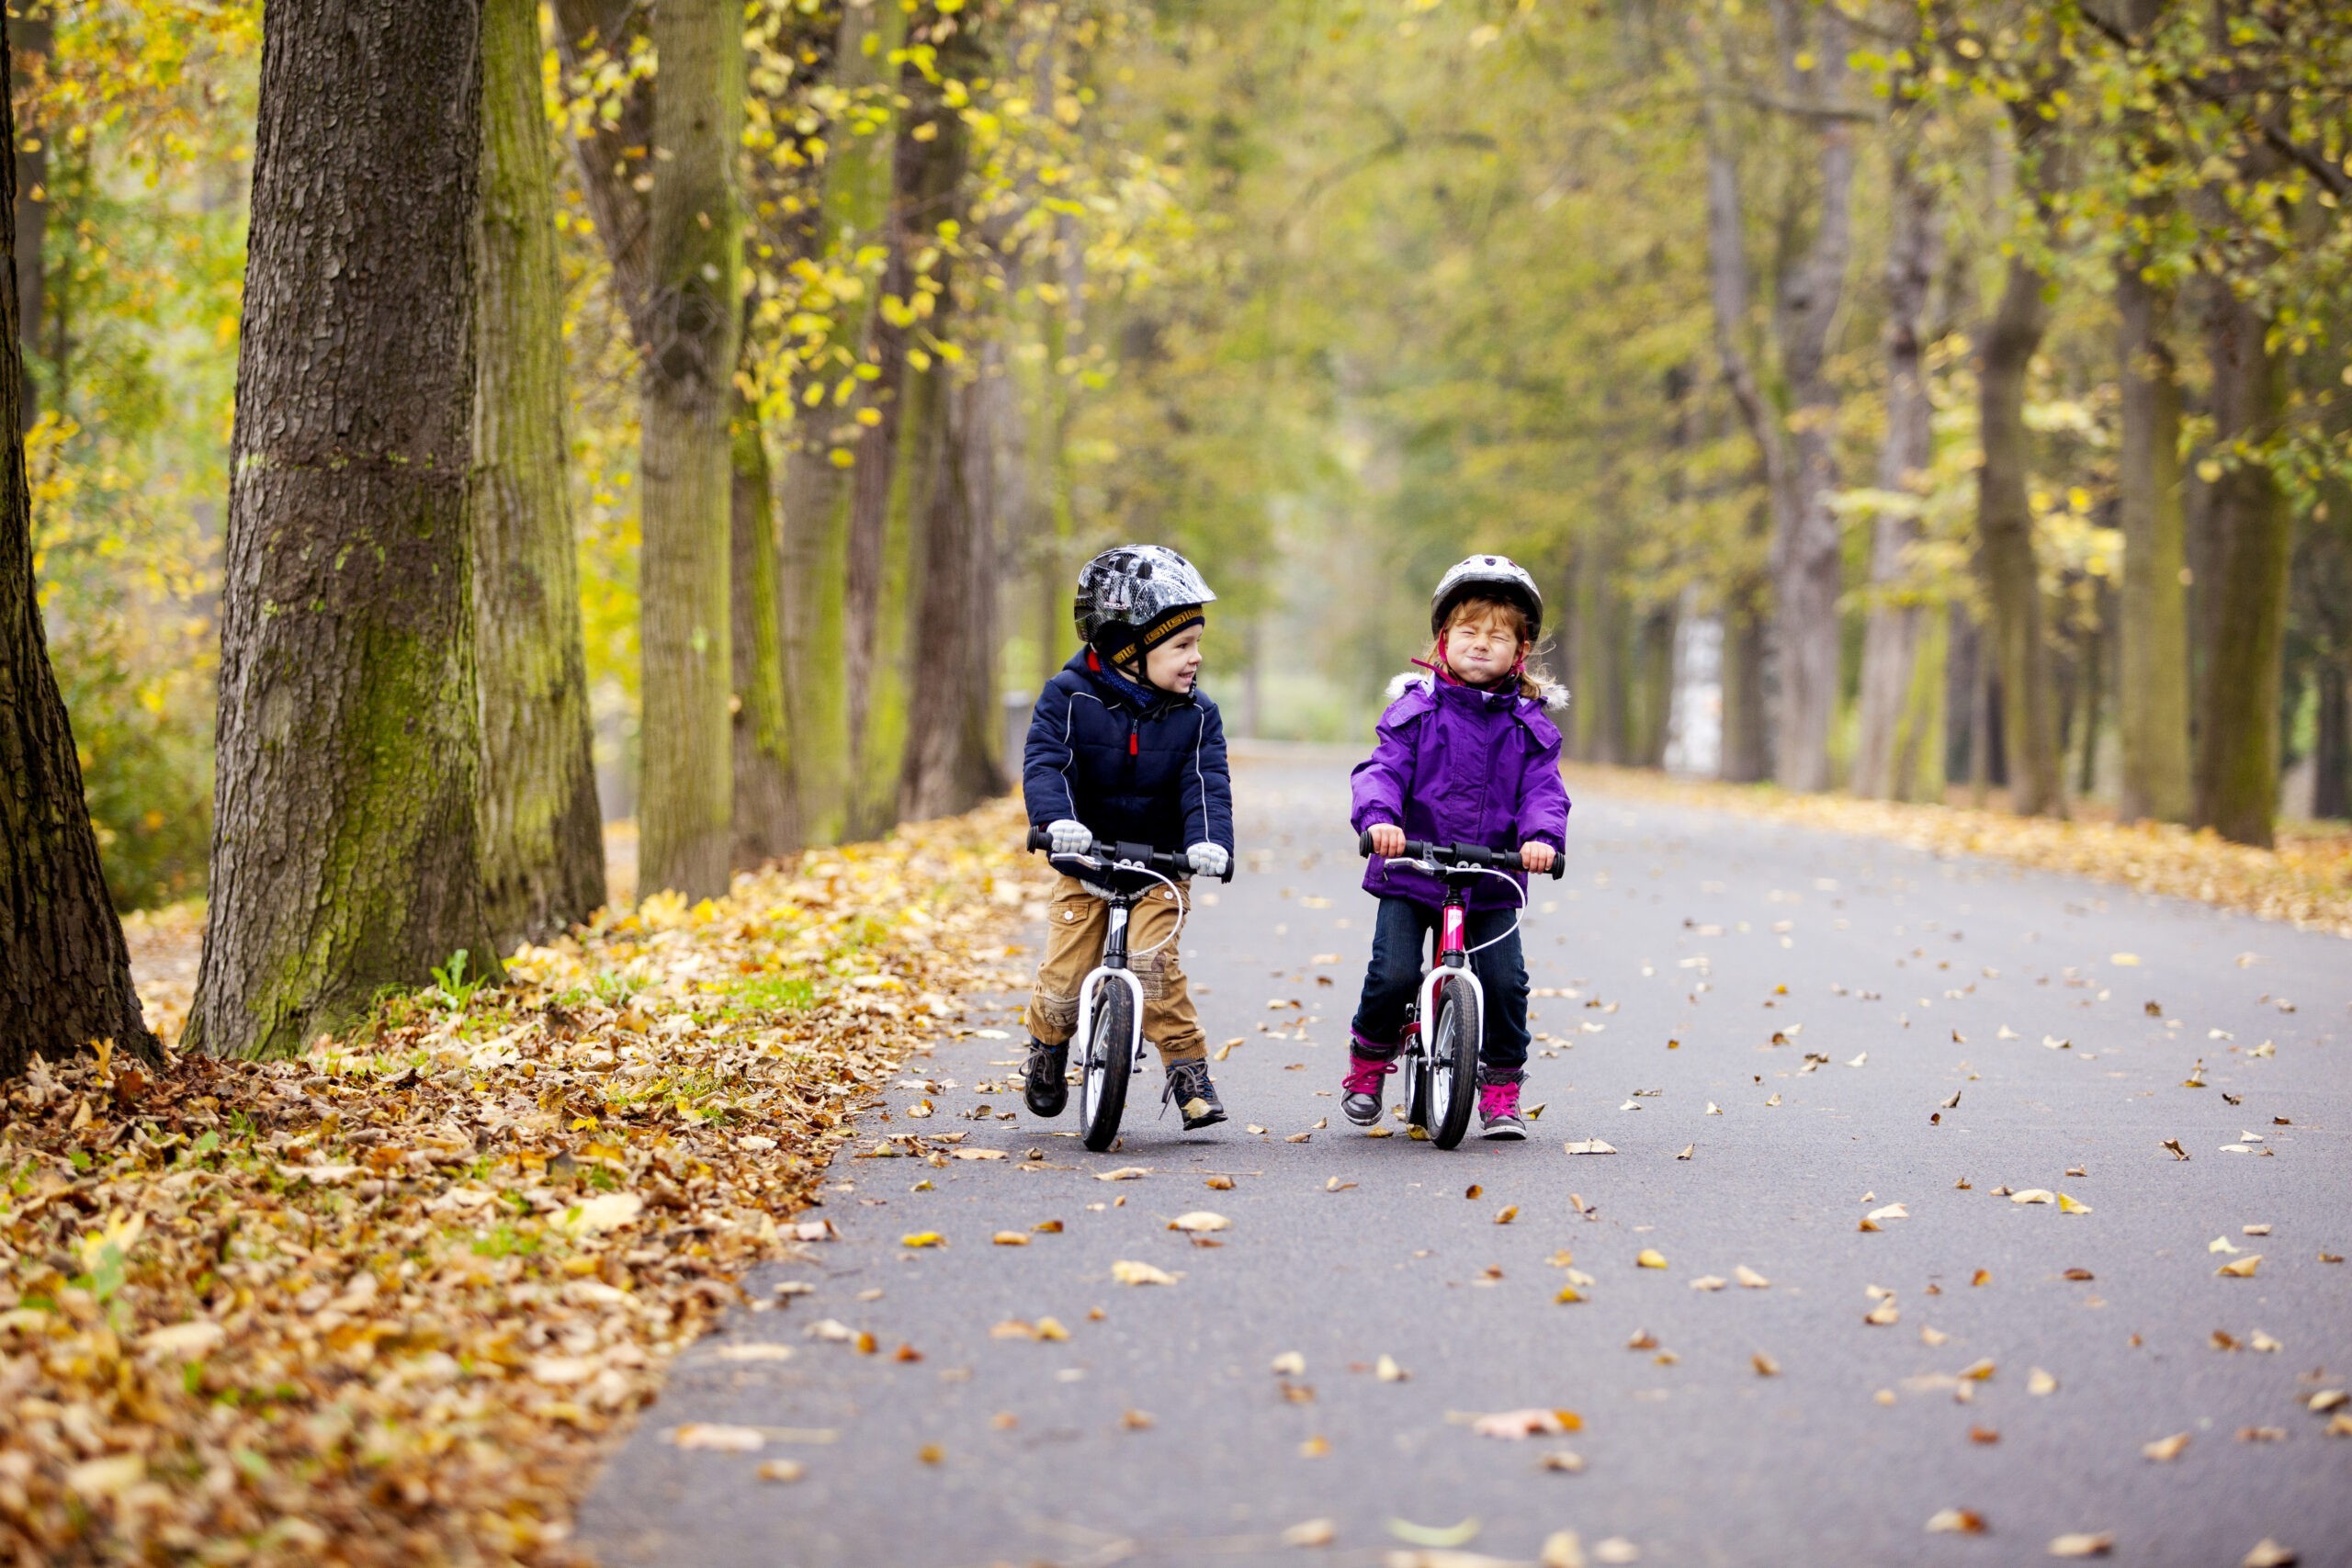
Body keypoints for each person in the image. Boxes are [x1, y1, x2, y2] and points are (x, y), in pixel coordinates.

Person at [1344, 555, 1571, 1140]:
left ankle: (1499, 1087)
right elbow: (1382, 770)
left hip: (1492, 880)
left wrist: (1541, 838)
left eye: (1498, 635)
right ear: (1443, 639)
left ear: (1520, 651)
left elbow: (1543, 791)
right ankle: (1368, 1064)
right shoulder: (1415, 712)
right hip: (1412, 870)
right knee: (1392, 974)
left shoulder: (1528, 726)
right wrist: (1380, 820)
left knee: (1504, 982)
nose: (1480, 643)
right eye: (1468, 631)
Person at [1021, 546, 1237, 1132]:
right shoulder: (1068, 696)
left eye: (1196, 643)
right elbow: (1047, 764)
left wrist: (1209, 842)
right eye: (1181, 646)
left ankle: (1189, 1072)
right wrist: (1056, 822)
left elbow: (1204, 783)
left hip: (1162, 868)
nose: (1196, 658)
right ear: (1127, 648)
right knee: (1064, 982)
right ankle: (1047, 1046)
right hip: (1084, 861)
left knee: (1152, 966)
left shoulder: (1197, 714)